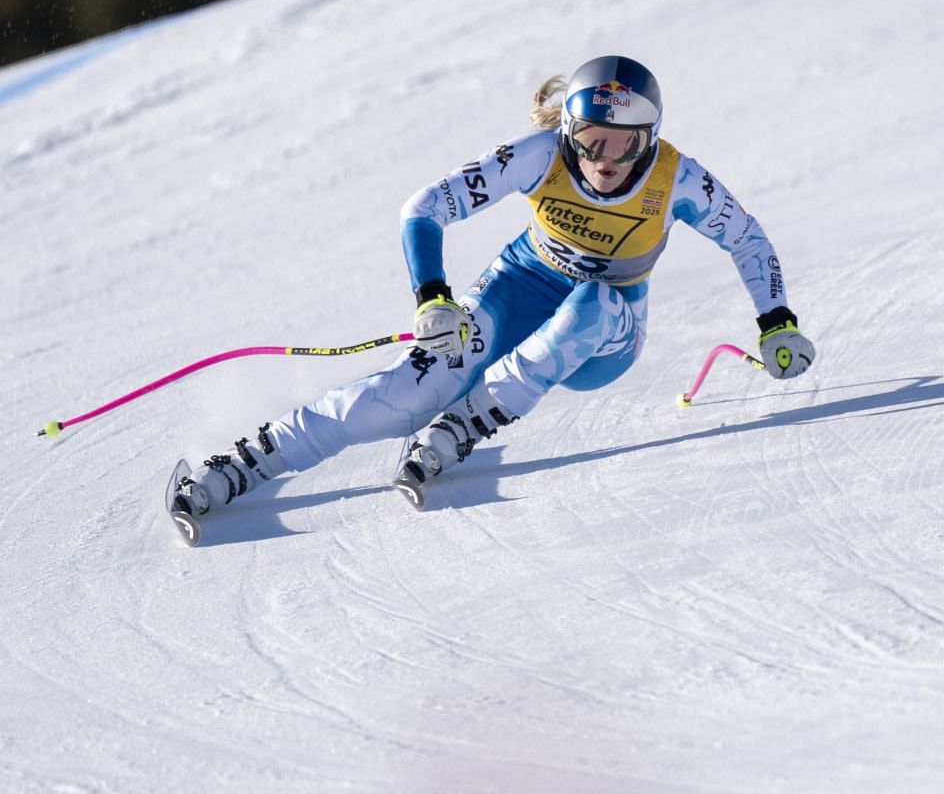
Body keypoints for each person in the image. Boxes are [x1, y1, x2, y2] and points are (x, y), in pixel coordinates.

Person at [171, 55, 814, 522]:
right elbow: (424, 208)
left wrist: (776, 323)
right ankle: (243, 465)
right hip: (517, 288)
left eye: (625, 142)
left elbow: (748, 239)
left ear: (650, 137)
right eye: (592, 141)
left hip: (609, 336)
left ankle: (471, 422)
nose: (607, 160)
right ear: (568, 134)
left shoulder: (678, 180)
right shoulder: (540, 155)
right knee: (408, 392)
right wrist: (433, 298)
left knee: (589, 303)